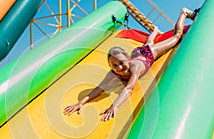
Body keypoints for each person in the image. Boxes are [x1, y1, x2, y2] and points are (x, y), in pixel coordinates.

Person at [63, 7, 199, 121]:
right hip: (137, 52)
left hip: (148, 54)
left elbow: (129, 88)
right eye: (114, 66)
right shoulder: (113, 72)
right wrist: (81, 102)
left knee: (175, 37)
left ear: (127, 59)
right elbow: (99, 88)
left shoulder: (135, 67)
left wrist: (114, 106)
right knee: (148, 42)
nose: (119, 68)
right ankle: (155, 32)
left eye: (121, 63)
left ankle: (183, 13)